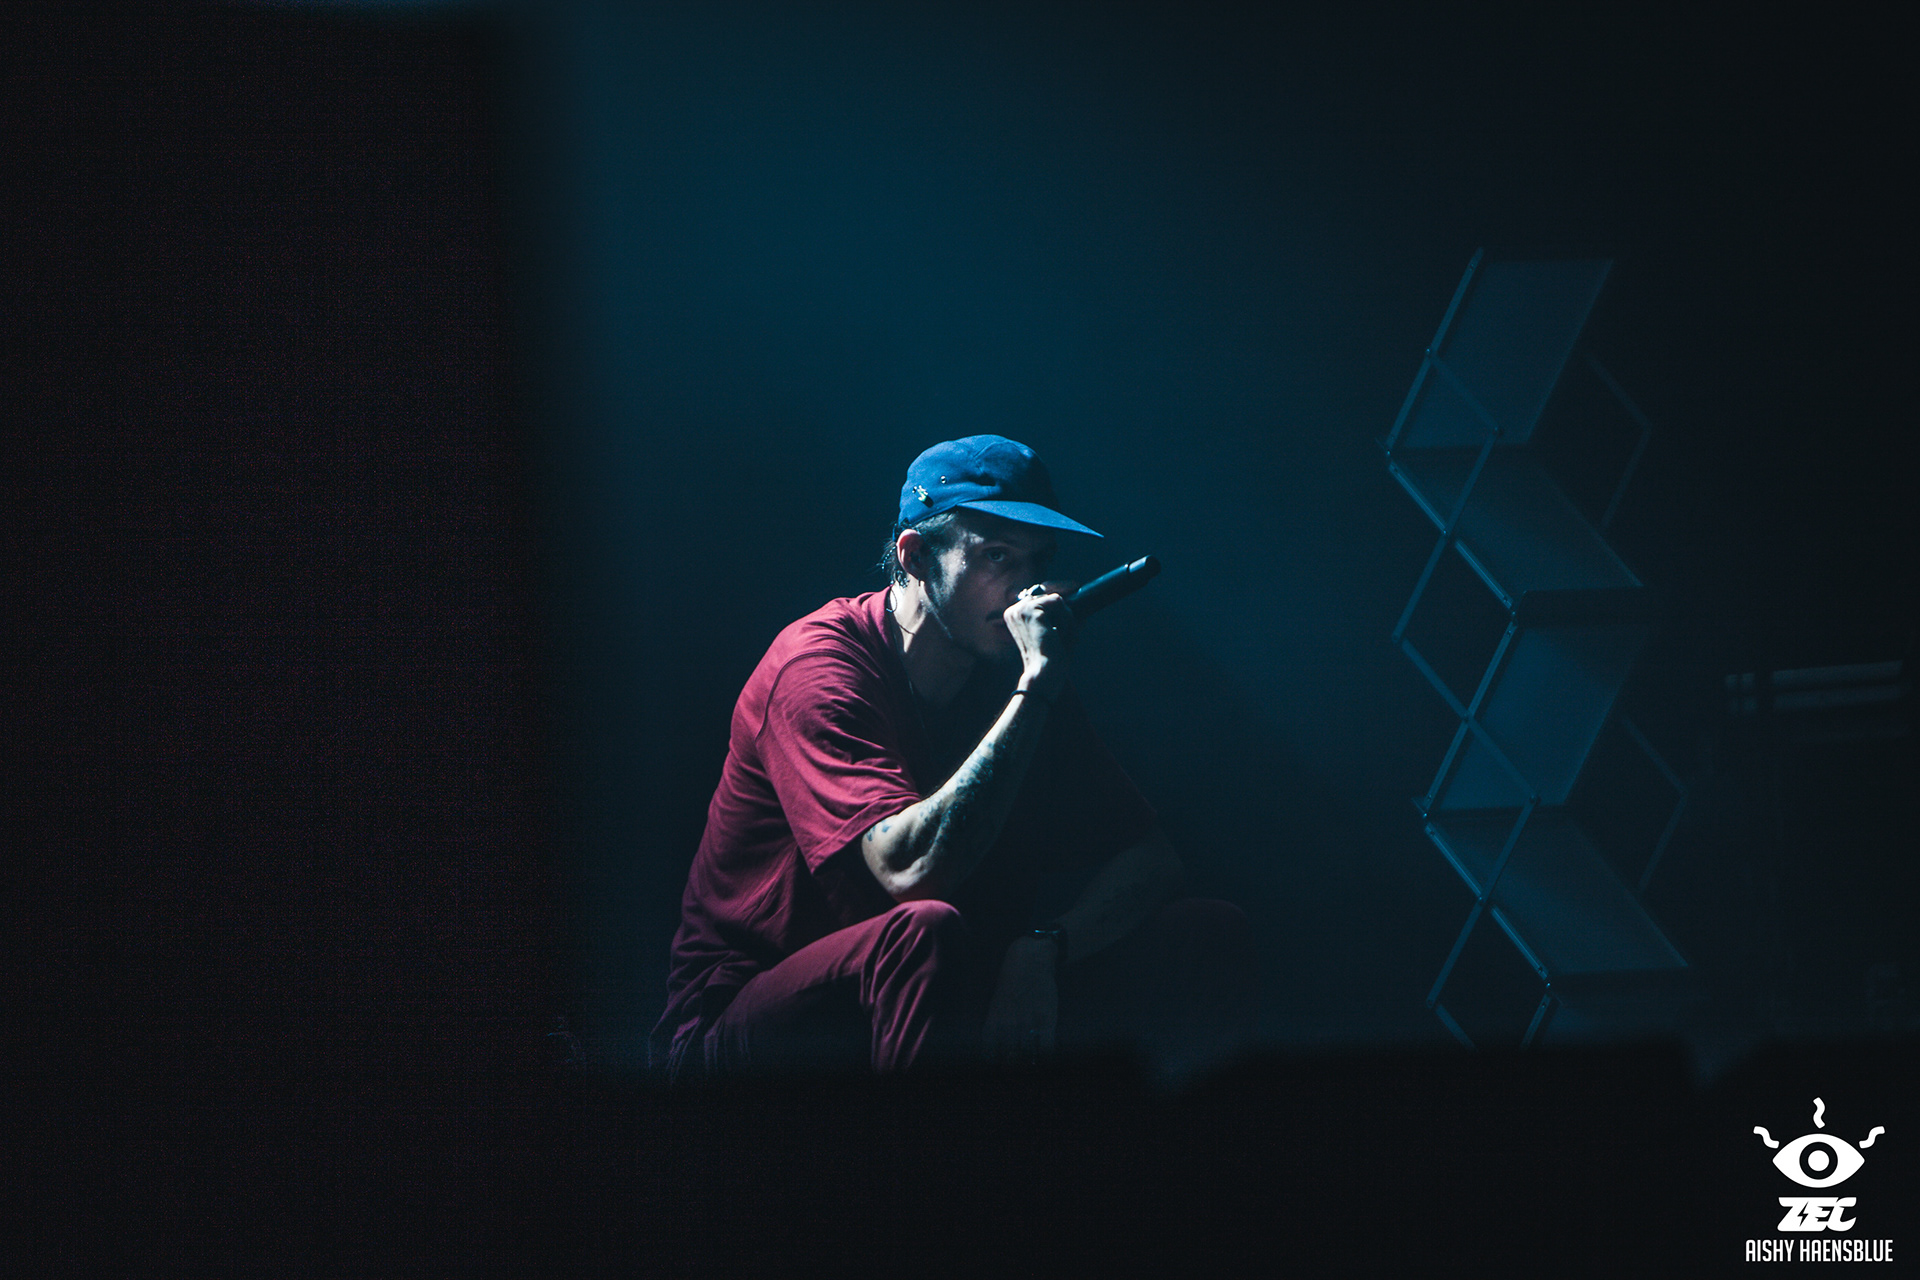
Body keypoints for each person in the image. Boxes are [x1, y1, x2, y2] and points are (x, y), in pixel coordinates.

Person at [651, 435, 1254, 1078]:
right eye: (997, 556)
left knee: (1207, 931)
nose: (1027, 588)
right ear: (915, 557)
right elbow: (909, 874)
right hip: (750, 1024)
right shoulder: (817, 669)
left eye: (1039, 559)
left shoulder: (1016, 673)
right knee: (924, 932)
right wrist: (1037, 686)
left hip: (953, 986)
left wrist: (1045, 948)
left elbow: (1152, 860)